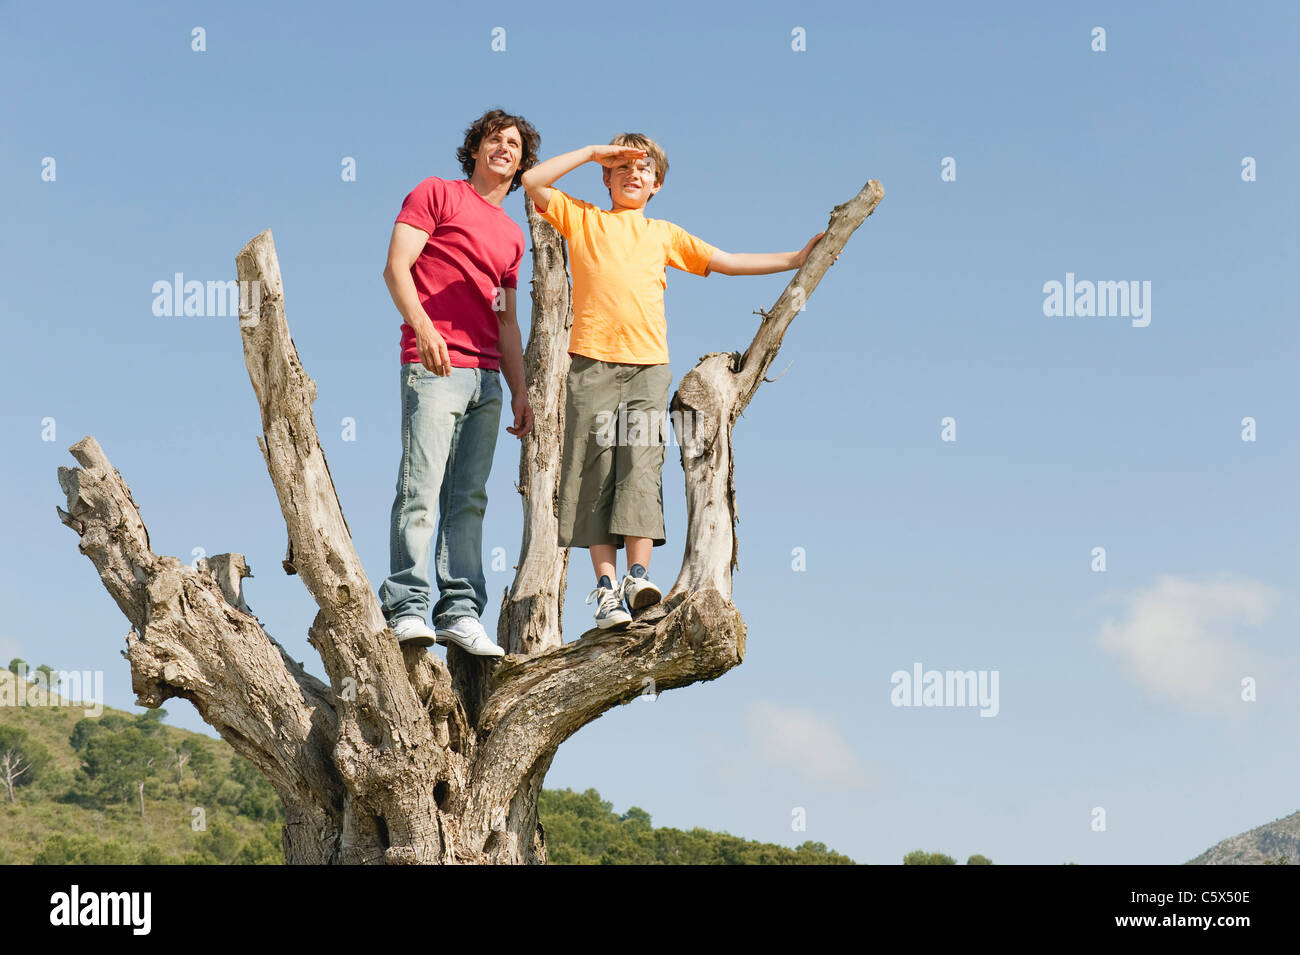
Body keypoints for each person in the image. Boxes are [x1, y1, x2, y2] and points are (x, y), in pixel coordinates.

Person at [519, 133, 827, 630]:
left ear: (657, 184)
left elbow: (725, 261)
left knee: (640, 465)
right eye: (622, 168)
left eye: (643, 170)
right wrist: (596, 151)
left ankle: (637, 577)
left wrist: (794, 259)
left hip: (646, 369)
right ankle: (605, 589)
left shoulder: (662, 234)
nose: (633, 175)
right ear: (606, 177)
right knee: (594, 471)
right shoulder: (583, 218)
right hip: (591, 367)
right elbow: (532, 181)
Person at [378, 109, 539, 656]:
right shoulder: (437, 194)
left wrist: (519, 389)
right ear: (475, 149)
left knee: (468, 499)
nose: (505, 148)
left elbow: (509, 321)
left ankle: (461, 612)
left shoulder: (514, 236)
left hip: (488, 377)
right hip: (434, 366)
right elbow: (396, 268)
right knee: (420, 488)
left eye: (515, 144)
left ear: (522, 162)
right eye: (495, 139)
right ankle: (406, 607)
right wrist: (424, 329)